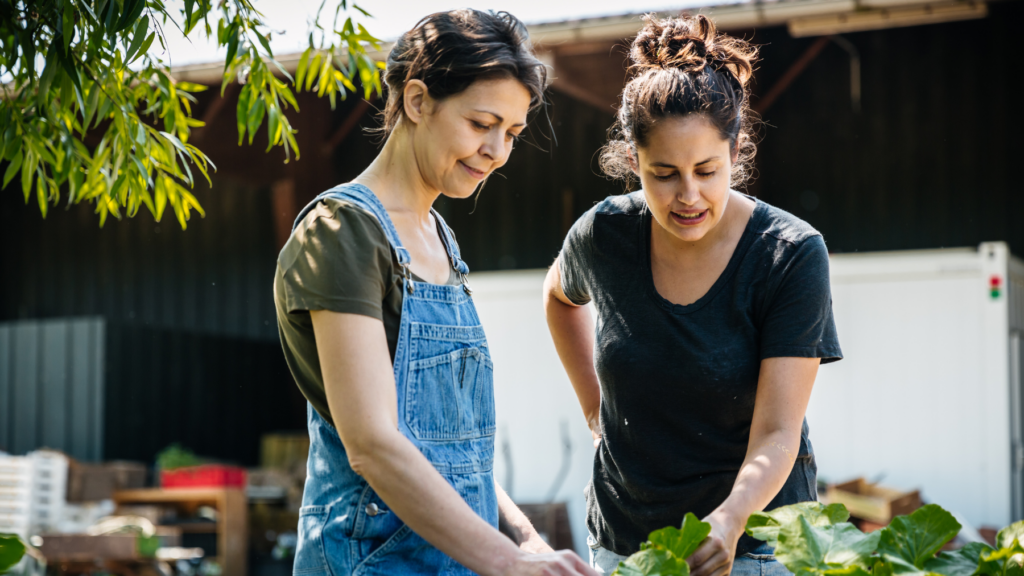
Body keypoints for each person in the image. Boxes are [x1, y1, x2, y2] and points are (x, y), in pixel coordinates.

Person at [274, 10, 599, 576]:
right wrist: (507, 561)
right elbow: (372, 444)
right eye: (481, 124)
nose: (497, 151)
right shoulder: (342, 233)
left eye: (513, 133)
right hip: (371, 562)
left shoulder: (440, 238)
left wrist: (529, 544)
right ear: (418, 101)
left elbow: (454, 459)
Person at [543, 13, 844, 576]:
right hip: (624, 541)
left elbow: (778, 432)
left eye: (707, 170)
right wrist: (594, 411)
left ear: (736, 152)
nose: (689, 195)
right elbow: (559, 297)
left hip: (755, 547)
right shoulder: (603, 235)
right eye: (663, 173)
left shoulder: (789, 254)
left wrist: (729, 520)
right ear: (633, 162)